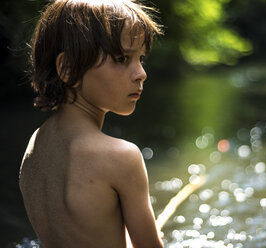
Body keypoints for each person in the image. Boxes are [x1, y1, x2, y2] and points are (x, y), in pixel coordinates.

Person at [18, 0, 163, 247]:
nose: (141, 73)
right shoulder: (122, 157)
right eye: (121, 58)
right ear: (68, 68)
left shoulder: (34, 147)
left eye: (141, 59)